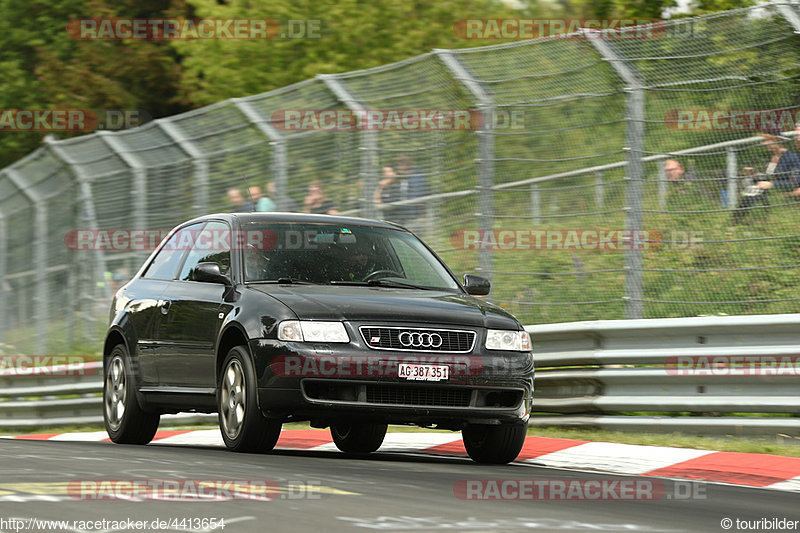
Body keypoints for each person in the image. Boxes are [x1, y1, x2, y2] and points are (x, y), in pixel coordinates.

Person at [733, 132, 800, 222]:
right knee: (749, 186)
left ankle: (738, 220)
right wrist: (753, 174)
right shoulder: (770, 157)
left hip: (783, 191)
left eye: (767, 140)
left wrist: (772, 184)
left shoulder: (791, 158)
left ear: (778, 140)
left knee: (752, 192)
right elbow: (768, 177)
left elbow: (794, 182)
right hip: (769, 191)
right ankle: (738, 219)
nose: (763, 143)